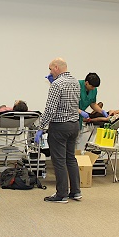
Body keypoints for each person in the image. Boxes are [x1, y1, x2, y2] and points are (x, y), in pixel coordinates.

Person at [35, 57, 81, 203]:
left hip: (60, 127)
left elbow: (50, 109)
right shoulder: (75, 82)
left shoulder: (57, 84)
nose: (50, 72)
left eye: (50, 68)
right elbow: (69, 102)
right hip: (74, 126)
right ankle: (76, 192)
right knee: (71, 158)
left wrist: (41, 127)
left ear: (56, 67)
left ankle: (62, 194)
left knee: (59, 161)